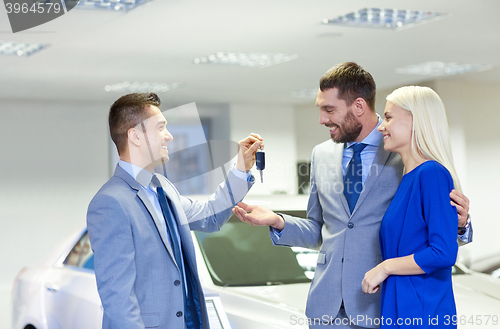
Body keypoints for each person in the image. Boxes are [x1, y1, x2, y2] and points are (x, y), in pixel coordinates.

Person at [232, 62, 472, 328]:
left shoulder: (406, 155)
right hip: (327, 309)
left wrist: (461, 225)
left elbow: (434, 236)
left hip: (382, 305)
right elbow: (319, 230)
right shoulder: (321, 155)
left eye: (329, 109)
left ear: (358, 106)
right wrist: (277, 221)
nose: (322, 119)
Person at [87, 92, 263, 329]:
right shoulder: (110, 202)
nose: (169, 136)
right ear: (136, 136)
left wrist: (241, 169)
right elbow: (118, 299)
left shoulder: (164, 188)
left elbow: (211, 216)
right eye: (161, 128)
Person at [362, 86, 460, 328]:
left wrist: (385, 268)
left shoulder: (431, 173)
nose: (380, 127)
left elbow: (444, 252)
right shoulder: (408, 178)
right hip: (401, 307)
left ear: (416, 121)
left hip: (422, 312)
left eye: (388, 117)